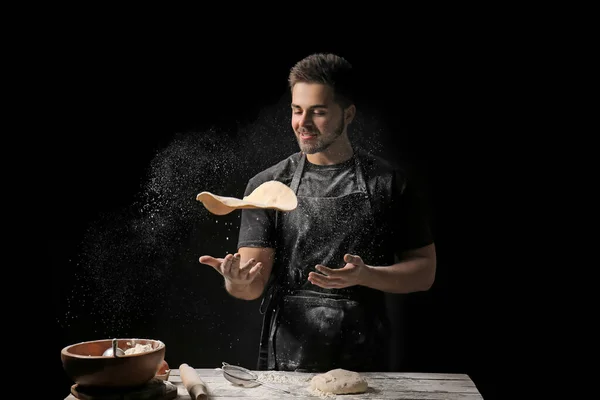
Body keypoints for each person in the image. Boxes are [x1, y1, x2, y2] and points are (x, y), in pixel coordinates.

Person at [199, 52, 436, 373]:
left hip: (365, 352)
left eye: (318, 112)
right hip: (288, 353)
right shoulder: (268, 185)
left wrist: (366, 275)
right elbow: (252, 284)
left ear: (348, 114)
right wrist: (235, 280)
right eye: (297, 110)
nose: (303, 123)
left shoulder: (388, 183)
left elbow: (424, 273)